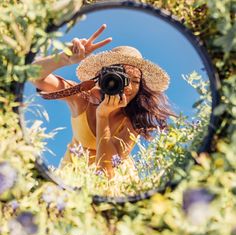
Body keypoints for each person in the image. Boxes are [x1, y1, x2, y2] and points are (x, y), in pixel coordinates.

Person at [30, 24, 174, 179]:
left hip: (115, 184)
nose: (127, 87)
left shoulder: (133, 120)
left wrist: (103, 116)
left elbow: (106, 172)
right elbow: (33, 76)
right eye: (121, 78)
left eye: (135, 81)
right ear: (103, 77)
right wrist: (64, 58)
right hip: (73, 176)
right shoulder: (82, 97)